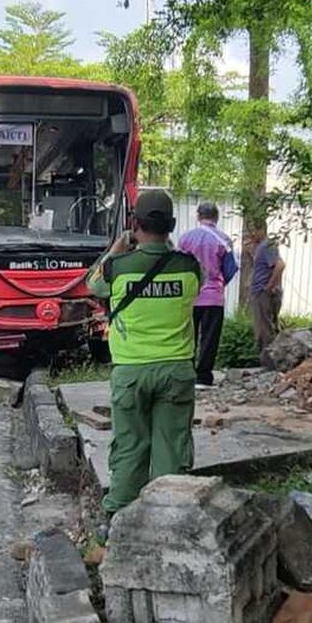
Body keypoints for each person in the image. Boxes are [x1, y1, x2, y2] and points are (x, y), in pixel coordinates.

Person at [87, 190, 202, 515]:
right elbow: (200, 282)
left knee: (129, 446)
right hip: (176, 371)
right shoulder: (189, 267)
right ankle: (169, 515)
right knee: (172, 447)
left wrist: (118, 248)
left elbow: (92, 285)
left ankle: (117, 518)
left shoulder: (119, 268)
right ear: (173, 225)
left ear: (134, 223)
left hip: (131, 372)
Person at [177, 201, 236, 388]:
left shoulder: (185, 239)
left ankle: (186, 373)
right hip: (214, 297)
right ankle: (203, 377)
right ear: (216, 217)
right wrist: (218, 283)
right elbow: (230, 269)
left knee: (188, 336)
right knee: (210, 338)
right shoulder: (224, 240)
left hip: (190, 297)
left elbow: (179, 266)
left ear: (198, 216)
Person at [247, 228, 285, 354]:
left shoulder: (267, 246)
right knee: (268, 327)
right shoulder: (261, 247)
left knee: (264, 330)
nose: (251, 234)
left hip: (263, 293)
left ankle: (268, 360)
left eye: (254, 230)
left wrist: (269, 286)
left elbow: (280, 265)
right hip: (262, 291)